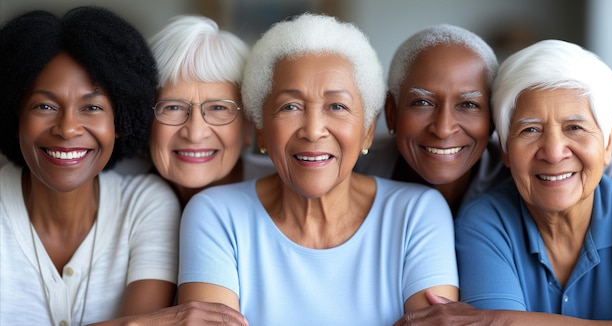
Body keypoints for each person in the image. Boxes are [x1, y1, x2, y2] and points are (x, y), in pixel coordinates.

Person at [178, 13, 458, 325]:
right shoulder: (216, 214)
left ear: (367, 129)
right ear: (260, 130)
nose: (313, 131)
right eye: (290, 107)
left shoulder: (417, 214)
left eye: (336, 106)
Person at [395, 40, 612, 325]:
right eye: (530, 129)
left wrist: (498, 319)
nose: (553, 153)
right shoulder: (485, 221)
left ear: (607, 142)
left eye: (574, 128)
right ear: (504, 147)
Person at [0, 7, 180, 325]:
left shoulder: (145, 205)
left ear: (119, 121)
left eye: (92, 107)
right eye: (44, 105)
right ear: (15, 119)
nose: (68, 128)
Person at [355, 24, 612, 214]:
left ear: (495, 119)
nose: (444, 128)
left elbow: (602, 166)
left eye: (469, 104)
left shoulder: (524, 162)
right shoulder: (353, 173)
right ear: (391, 113)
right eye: (422, 102)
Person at [148, 15, 251, 206]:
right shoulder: (114, 196)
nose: (195, 134)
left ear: (248, 126)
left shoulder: (286, 195)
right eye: (173, 107)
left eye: (218, 108)